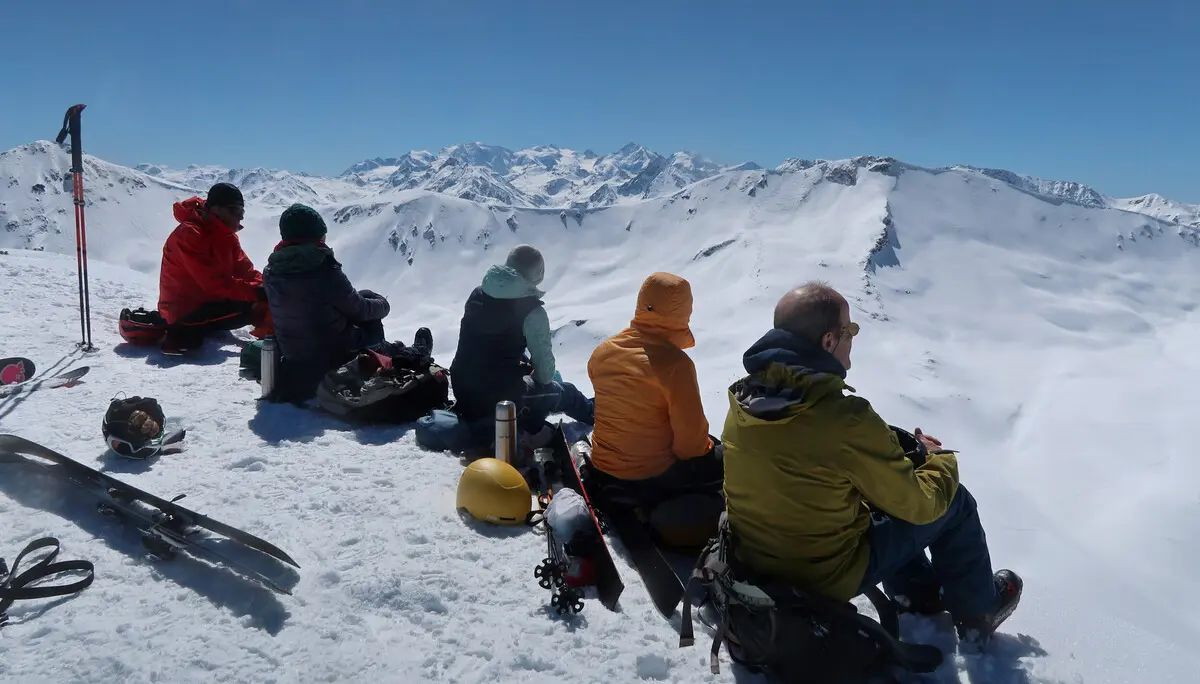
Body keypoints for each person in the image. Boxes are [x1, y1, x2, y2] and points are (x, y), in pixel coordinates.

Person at [720, 281, 1021, 650]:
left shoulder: (746, 400)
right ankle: (978, 614)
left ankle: (919, 594)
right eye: (851, 329)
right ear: (829, 341)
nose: (853, 338)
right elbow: (920, 505)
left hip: (757, 560)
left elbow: (811, 459)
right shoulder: (844, 418)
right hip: (823, 575)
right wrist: (939, 459)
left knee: (873, 496)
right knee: (954, 500)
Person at [262, 203, 431, 400]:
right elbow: (360, 310)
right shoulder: (323, 268)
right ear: (315, 236)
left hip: (294, 356)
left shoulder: (271, 271)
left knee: (363, 296)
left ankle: (395, 349)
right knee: (371, 324)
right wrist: (384, 304)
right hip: (332, 359)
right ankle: (410, 355)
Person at [586, 272, 722, 500]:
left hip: (603, 468)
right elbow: (690, 447)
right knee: (726, 455)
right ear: (683, 312)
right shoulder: (676, 365)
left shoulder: (603, 352)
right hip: (650, 478)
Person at [449, 244, 593, 446]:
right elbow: (545, 375)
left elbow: (490, 347)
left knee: (524, 364)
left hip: (463, 391)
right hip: (499, 403)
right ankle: (598, 416)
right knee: (565, 391)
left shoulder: (477, 294)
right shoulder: (532, 312)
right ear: (538, 274)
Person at [157, 182, 271, 355]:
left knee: (265, 299)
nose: (240, 217)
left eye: (242, 211)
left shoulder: (226, 236)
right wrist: (257, 293)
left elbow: (245, 270)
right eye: (234, 211)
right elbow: (215, 284)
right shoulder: (189, 234)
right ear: (215, 209)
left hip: (209, 302)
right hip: (183, 312)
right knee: (256, 304)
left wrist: (269, 286)